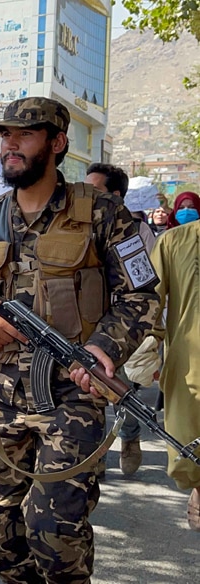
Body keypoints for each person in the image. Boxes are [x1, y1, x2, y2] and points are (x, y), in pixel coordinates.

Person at [0, 97, 160, 583]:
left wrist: (103, 348)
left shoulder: (103, 212)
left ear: (57, 143)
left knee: (52, 527)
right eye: (5, 136)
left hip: (73, 399)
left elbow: (142, 295)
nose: (10, 145)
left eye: (24, 135)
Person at [84, 162, 154, 475]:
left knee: (119, 391)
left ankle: (129, 439)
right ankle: (96, 455)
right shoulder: (80, 225)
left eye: (94, 189)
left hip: (125, 328)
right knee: (88, 394)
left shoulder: (139, 233)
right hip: (88, 326)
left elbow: (146, 288)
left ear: (114, 195)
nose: (85, 195)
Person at [150, 212, 200, 530]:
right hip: (188, 367)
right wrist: (144, 358)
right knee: (190, 447)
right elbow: (147, 301)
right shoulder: (174, 241)